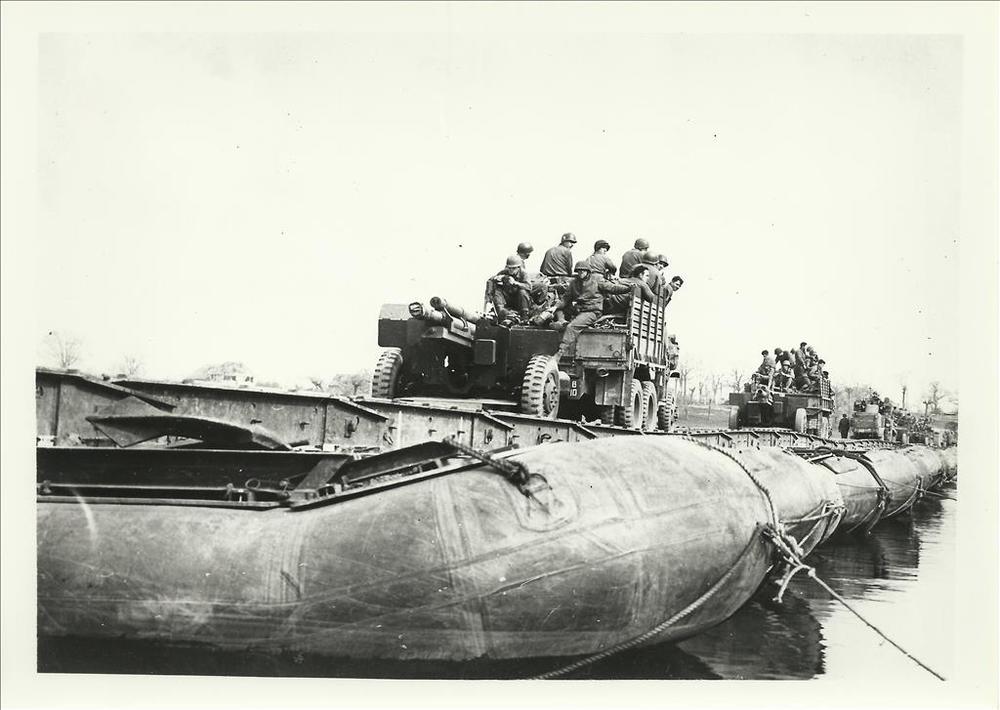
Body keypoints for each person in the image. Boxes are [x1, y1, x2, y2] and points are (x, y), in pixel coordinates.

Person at [553, 261, 631, 358]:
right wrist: (555, 307)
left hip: (592, 311)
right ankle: (562, 321)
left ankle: (559, 353)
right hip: (579, 309)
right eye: (579, 271)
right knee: (557, 310)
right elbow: (566, 298)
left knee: (572, 327)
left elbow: (613, 288)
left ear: (588, 271)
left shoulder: (597, 280)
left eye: (583, 271)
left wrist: (628, 288)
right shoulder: (574, 283)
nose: (581, 273)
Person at [485, 255, 530, 320]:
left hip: (519, 300)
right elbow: (490, 281)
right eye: (509, 268)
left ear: (518, 267)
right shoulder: (504, 272)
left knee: (522, 291)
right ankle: (501, 312)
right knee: (498, 290)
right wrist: (488, 295)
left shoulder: (523, 274)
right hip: (508, 299)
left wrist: (515, 283)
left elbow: (529, 287)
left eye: (513, 268)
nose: (511, 270)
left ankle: (525, 316)